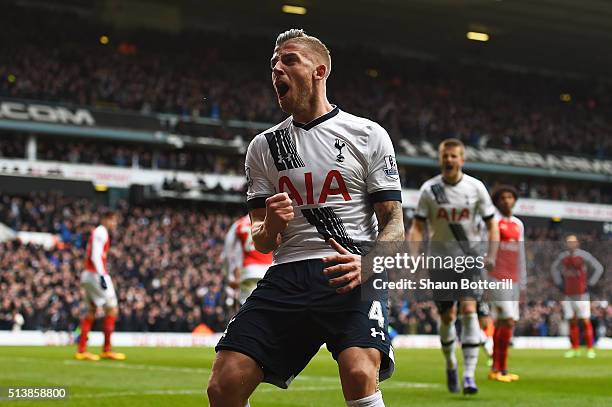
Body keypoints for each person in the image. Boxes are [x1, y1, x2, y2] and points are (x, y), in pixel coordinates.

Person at [207, 29, 404, 407]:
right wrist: (274, 226)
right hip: (288, 274)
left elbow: (394, 222)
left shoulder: (367, 134)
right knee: (224, 383)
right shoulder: (264, 147)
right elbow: (261, 240)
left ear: (320, 70)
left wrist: (369, 264)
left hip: (349, 271)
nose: (277, 68)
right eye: (273, 64)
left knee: (360, 372)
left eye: (289, 59)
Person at [408, 138, 499, 395]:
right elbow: (417, 226)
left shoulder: (476, 188)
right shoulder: (430, 190)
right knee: (447, 316)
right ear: (440, 159)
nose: (449, 160)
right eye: (445, 156)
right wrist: (414, 255)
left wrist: (491, 254)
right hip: (440, 260)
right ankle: (450, 363)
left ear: (462, 159)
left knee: (469, 309)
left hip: (469, 258)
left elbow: (492, 225)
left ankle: (469, 376)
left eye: (454, 156)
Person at [74, 210, 126, 361]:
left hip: (88, 274)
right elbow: (95, 255)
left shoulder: (98, 232)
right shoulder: (101, 232)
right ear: (106, 219)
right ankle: (106, 349)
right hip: (96, 274)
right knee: (112, 309)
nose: (115, 224)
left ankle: (82, 350)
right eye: (113, 220)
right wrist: (102, 276)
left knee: (91, 311)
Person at [487, 185, 526, 382]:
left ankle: (499, 369)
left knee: (504, 323)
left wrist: (523, 281)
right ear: (497, 201)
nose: (507, 200)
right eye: (503, 197)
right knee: (508, 320)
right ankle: (498, 368)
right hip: (496, 277)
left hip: (514, 279)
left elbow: (521, 255)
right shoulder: (492, 221)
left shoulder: (518, 224)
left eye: (510, 197)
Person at [551, 235, 603, 359]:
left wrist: (590, 284)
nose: (570, 244)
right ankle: (574, 348)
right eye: (568, 242)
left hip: (581, 294)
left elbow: (599, 268)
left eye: (572, 242)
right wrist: (559, 283)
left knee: (585, 321)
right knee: (572, 321)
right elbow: (553, 268)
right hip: (568, 294)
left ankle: (590, 349)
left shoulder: (584, 256)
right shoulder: (563, 257)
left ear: (577, 243)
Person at [223, 215, 273, 305]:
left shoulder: (238, 225)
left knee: (248, 308)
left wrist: (230, 277)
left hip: (249, 273)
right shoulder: (272, 220)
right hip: (271, 271)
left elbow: (227, 253)